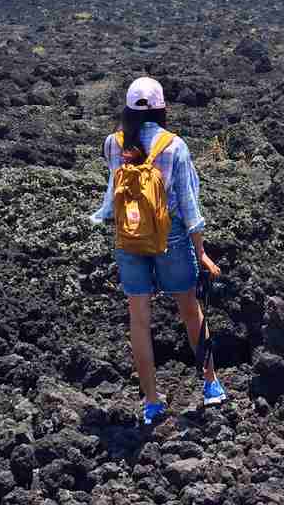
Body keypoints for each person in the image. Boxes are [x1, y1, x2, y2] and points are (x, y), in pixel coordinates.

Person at [90, 76, 225, 424]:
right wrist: (202, 252)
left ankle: (151, 403)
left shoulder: (112, 143)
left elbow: (112, 192)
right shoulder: (174, 145)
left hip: (129, 238)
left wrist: (104, 217)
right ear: (163, 108)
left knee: (139, 319)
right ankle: (211, 385)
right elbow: (188, 205)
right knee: (190, 310)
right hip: (172, 239)